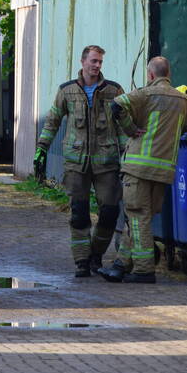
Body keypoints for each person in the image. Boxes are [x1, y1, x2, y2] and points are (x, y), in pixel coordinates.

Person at [101, 56, 187, 284]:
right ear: (168, 74)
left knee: (137, 217)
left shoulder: (145, 94)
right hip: (163, 171)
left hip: (138, 167)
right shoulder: (182, 100)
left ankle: (143, 270)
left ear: (151, 75)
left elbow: (117, 104)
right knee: (140, 219)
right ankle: (121, 265)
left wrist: (130, 129)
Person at [34, 45, 125, 277]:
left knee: (110, 212)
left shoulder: (113, 91)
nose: (97, 66)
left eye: (100, 62)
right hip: (77, 163)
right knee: (79, 213)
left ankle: (96, 254)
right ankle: (82, 262)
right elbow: (52, 121)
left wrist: (127, 153)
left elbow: (125, 123)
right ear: (83, 62)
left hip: (106, 162)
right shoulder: (66, 91)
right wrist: (41, 149)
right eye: (93, 61)